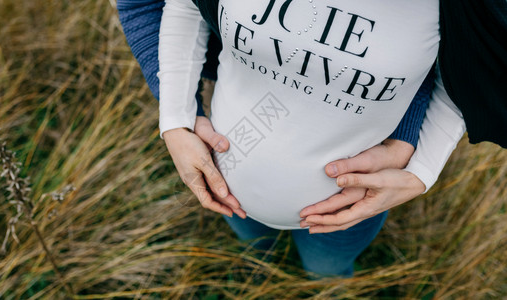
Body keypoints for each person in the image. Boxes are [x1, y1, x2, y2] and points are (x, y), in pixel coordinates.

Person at [117, 0, 466, 277]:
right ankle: (263, 269)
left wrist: (423, 170)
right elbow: (186, 3)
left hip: (347, 206)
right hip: (225, 178)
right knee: (257, 251)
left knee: (326, 271)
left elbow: (476, 69)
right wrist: (176, 118)